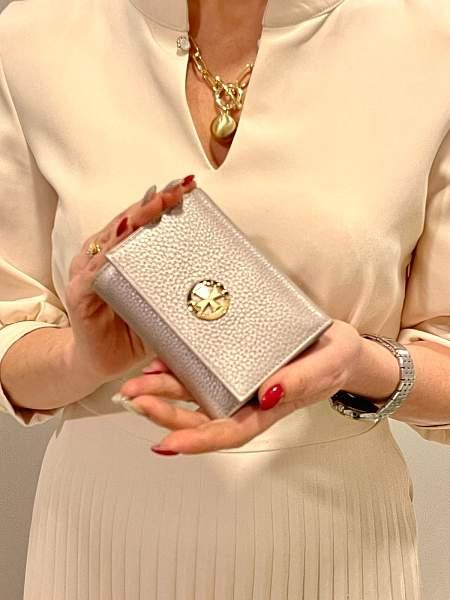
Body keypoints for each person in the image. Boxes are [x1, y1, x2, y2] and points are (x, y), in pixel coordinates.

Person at [0, 0, 449, 598]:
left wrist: (360, 365)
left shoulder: (429, 36)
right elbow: (9, 331)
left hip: (335, 541)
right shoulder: (37, 33)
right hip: (96, 541)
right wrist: (82, 357)